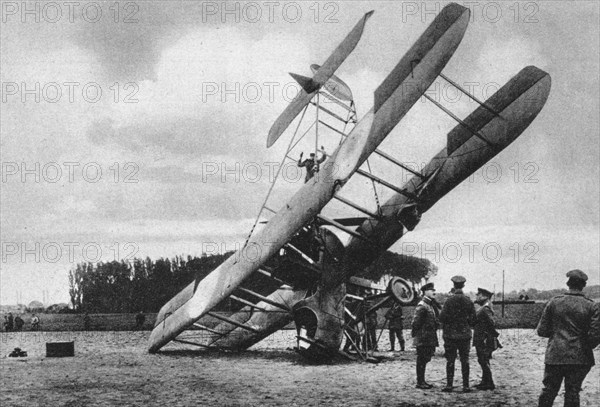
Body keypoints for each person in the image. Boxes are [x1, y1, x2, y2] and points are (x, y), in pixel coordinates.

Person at [536, 269, 600, 407]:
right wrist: (583, 346)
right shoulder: (592, 305)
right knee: (573, 392)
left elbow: (541, 331)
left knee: (549, 390)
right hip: (580, 357)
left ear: (568, 283)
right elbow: (595, 335)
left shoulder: (554, 302)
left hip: (555, 356)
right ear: (583, 285)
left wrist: (557, 335)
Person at [439, 275, 476, 392]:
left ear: (453, 286)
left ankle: (449, 385)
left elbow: (442, 318)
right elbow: (473, 320)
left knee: (450, 360)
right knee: (465, 360)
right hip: (465, 335)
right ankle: (466, 386)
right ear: (463, 286)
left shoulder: (448, 301)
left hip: (450, 335)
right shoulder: (468, 301)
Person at [411, 282, 439, 389]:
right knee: (422, 359)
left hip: (428, 337)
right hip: (423, 337)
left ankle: (422, 381)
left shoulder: (429, 305)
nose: (433, 292)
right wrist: (417, 334)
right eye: (431, 290)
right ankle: (420, 382)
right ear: (425, 292)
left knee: (426, 358)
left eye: (433, 290)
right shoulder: (422, 305)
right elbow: (415, 322)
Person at [473, 287, 500, 390]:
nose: (477, 296)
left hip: (483, 338)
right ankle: (485, 381)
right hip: (483, 337)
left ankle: (489, 382)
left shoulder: (485, 308)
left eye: (478, 295)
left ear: (485, 296)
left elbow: (491, 323)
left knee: (483, 360)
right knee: (483, 360)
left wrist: (491, 335)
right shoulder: (485, 307)